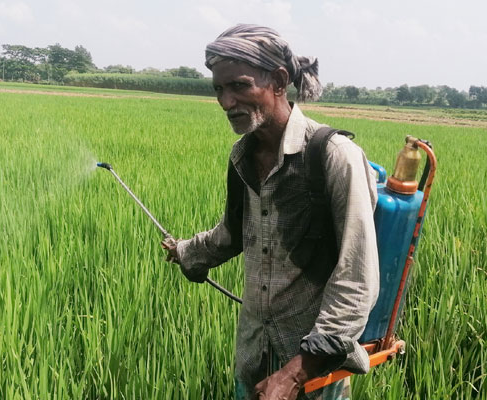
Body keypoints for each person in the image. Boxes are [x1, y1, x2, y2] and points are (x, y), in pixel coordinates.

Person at [161, 24, 379, 400]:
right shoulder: (242, 155)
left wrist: (294, 375)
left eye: (240, 86)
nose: (227, 102)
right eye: (218, 89)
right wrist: (187, 253)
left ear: (279, 80)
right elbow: (232, 234)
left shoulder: (334, 156)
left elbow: (356, 279)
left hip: (312, 373)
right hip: (252, 353)